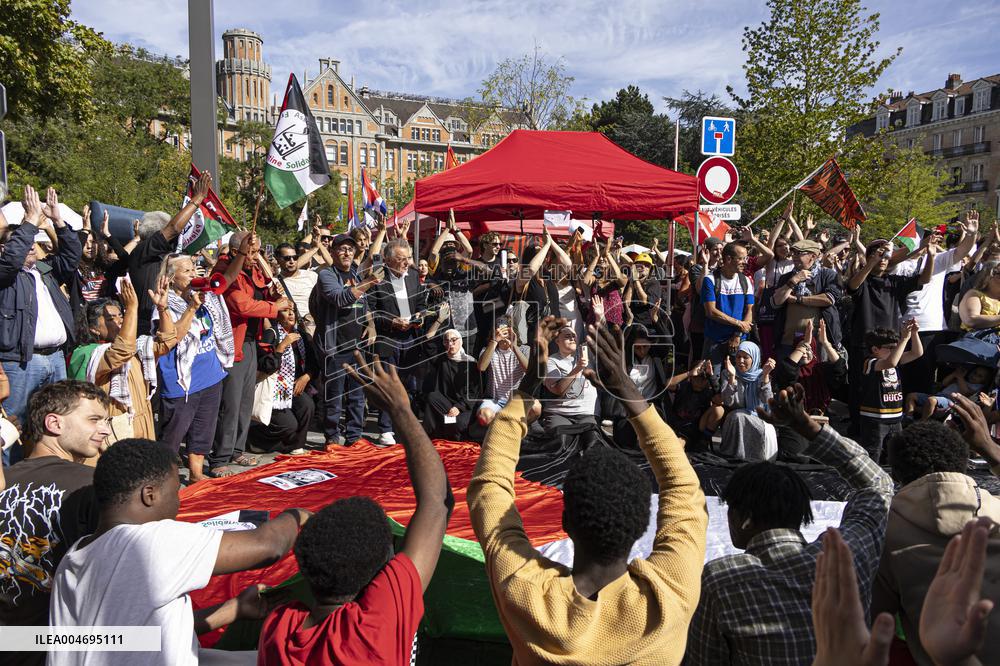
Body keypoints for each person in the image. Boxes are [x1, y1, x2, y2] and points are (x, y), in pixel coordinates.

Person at [469, 319, 707, 664]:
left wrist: (530, 382)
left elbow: (489, 488)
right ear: (645, 525)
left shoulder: (525, 592)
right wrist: (627, 388)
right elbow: (683, 484)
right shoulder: (671, 594)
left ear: (565, 520)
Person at [48, 440, 312, 666]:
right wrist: (296, 514)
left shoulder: (74, 555)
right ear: (149, 495)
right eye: (175, 491)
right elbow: (268, 546)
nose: (179, 500)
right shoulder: (152, 540)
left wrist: (233, 609)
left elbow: (131, 637)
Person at [685, 383, 894, 665]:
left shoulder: (722, 579)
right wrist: (808, 427)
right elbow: (879, 484)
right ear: (800, 513)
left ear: (742, 517)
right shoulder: (847, 558)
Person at [871, 399, 1000, 666]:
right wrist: (989, 447)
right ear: (965, 461)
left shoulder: (887, 532)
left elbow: (875, 621)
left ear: (897, 474)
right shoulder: (995, 511)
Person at [0, 382, 110, 666]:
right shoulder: (92, 486)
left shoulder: (5, 478)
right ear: (54, 423)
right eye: (94, 419)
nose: (105, 430)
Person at [0, 186, 82, 463]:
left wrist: (58, 222)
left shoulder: (44, 271)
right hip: (22, 362)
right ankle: (8, 486)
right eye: (25, 243)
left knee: (57, 421)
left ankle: (52, 473)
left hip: (56, 358)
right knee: (13, 427)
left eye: (33, 242)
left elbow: (72, 257)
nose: (31, 247)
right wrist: (30, 219)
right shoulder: (6, 277)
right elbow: (10, 261)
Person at [154, 247, 246, 482]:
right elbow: (171, 337)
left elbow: (227, 279)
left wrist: (242, 254)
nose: (194, 272)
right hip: (182, 379)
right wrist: (192, 307)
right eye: (187, 270)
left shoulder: (207, 296)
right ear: (172, 277)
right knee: (174, 432)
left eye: (194, 268)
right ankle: (164, 476)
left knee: (204, 428)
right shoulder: (165, 304)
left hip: (210, 374)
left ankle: (196, 473)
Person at [210, 231, 292, 472]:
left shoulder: (251, 269)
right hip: (232, 343)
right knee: (231, 404)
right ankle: (220, 458)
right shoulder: (224, 271)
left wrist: (271, 294)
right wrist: (273, 306)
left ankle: (237, 449)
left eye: (258, 253)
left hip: (250, 343)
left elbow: (260, 290)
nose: (256, 258)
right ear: (237, 252)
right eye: (253, 253)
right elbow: (241, 305)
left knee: (246, 402)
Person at [68, 279, 177, 443]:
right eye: (111, 318)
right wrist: (132, 308)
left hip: (141, 420)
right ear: (94, 329)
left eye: (121, 315)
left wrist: (163, 308)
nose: (120, 320)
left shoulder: (136, 346)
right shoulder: (86, 353)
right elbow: (121, 351)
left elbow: (167, 341)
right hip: (112, 428)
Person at [846, 239, 932, 429]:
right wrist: (870, 262)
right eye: (878, 255)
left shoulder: (893, 282)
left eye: (885, 256)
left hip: (890, 343)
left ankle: (887, 423)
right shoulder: (862, 279)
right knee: (860, 385)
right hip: (864, 343)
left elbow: (923, 279)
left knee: (887, 385)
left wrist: (930, 254)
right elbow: (852, 286)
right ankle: (857, 425)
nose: (882, 259)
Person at [893, 212, 978, 394]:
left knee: (924, 376)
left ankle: (918, 416)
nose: (929, 243)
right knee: (898, 375)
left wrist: (971, 235)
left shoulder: (937, 260)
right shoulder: (899, 264)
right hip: (899, 326)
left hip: (929, 327)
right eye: (925, 239)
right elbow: (888, 262)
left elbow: (961, 252)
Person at [312, 233, 380, 448]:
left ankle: (354, 436)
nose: (347, 252)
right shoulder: (326, 275)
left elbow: (364, 304)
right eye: (341, 249)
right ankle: (331, 438)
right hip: (335, 346)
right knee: (334, 397)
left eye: (350, 249)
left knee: (357, 397)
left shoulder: (355, 274)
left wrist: (371, 325)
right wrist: (370, 282)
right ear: (332, 252)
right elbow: (341, 299)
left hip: (357, 347)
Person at [128, 171, 212, 336]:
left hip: (173, 322)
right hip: (149, 332)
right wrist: (198, 198)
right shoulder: (142, 252)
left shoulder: (166, 255)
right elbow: (174, 229)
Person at [369, 238, 426, 446]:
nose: (407, 263)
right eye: (402, 259)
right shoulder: (378, 278)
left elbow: (421, 302)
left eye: (409, 258)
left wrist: (419, 317)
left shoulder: (412, 276)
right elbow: (371, 311)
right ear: (389, 260)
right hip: (388, 338)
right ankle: (385, 428)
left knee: (409, 384)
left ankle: (403, 425)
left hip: (411, 337)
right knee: (389, 385)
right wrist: (391, 322)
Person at [249, 307, 318, 455]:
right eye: (286, 310)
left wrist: (306, 377)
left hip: (293, 386)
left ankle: (296, 445)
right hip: (274, 388)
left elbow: (314, 364)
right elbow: (265, 366)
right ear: (277, 315)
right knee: (289, 425)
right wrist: (281, 346)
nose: (291, 313)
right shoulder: (271, 334)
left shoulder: (302, 336)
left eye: (292, 310)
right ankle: (256, 440)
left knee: (307, 406)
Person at [859, 322, 923, 461]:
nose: (896, 350)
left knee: (898, 454)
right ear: (875, 349)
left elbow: (917, 353)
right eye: (891, 348)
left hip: (895, 417)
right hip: (875, 418)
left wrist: (914, 333)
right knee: (873, 453)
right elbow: (891, 363)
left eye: (896, 347)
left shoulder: (893, 358)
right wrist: (903, 339)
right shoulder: (871, 362)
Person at [770, 238, 843, 356]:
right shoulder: (786, 278)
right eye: (793, 253)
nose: (794, 256)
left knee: (818, 373)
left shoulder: (827, 275)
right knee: (787, 373)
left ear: (813, 256)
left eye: (799, 253)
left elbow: (829, 299)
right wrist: (794, 280)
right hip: (788, 342)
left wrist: (798, 299)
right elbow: (775, 302)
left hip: (819, 342)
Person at [701, 241, 754, 375]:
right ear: (729, 259)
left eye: (746, 258)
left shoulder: (745, 280)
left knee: (737, 381)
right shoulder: (710, 279)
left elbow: (750, 310)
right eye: (741, 258)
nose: (745, 262)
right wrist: (738, 323)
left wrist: (738, 334)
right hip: (715, 341)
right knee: (712, 381)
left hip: (738, 340)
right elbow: (711, 312)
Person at [718, 341, 777, 461]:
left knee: (738, 417)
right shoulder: (728, 373)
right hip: (734, 417)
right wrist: (732, 378)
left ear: (754, 358)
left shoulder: (761, 374)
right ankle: (735, 455)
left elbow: (767, 399)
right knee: (737, 416)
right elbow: (728, 401)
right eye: (738, 357)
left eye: (746, 357)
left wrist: (765, 376)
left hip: (759, 417)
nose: (741, 361)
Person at [421, 329, 482, 440]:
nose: (450, 344)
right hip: (446, 404)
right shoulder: (442, 360)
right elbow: (428, 343)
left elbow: (474, 392)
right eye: (447, 341)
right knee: (432, 397)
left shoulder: (471, 363)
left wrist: (459, 407)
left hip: (465, 406)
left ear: (461, 341)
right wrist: (439, 321)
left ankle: (452, 436)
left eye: (454, 340)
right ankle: (431, 436)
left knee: (459, 423)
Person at [541, 326, 598, 430]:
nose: (572, 339)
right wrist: (578, 368)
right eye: (567, 336)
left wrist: (599, 316)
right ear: (557, 341)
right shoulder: (551, 361)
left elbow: (600, 337)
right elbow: (558, 390)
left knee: (592, 441)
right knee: (562, 440)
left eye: (574, 336)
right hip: (559, 414)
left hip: (586, 414)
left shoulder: (586, 353)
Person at [476, 320, 530, 427]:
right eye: (500, 331)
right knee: (484, 416)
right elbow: (482, 367)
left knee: (536, 408)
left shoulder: (524, 349)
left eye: (507, 331)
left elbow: (529, 370)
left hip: (516, 400)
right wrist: (495, 341)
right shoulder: (488, 350)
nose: (504, 335)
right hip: (494, 400)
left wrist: (514, 347)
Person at [274, 239, 318, 336]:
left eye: (295, 257)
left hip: (316, 328)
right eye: (287, 258)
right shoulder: (274, 283)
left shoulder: (312, 276)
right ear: (277, 259)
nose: (292, 261)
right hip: (292, 333)